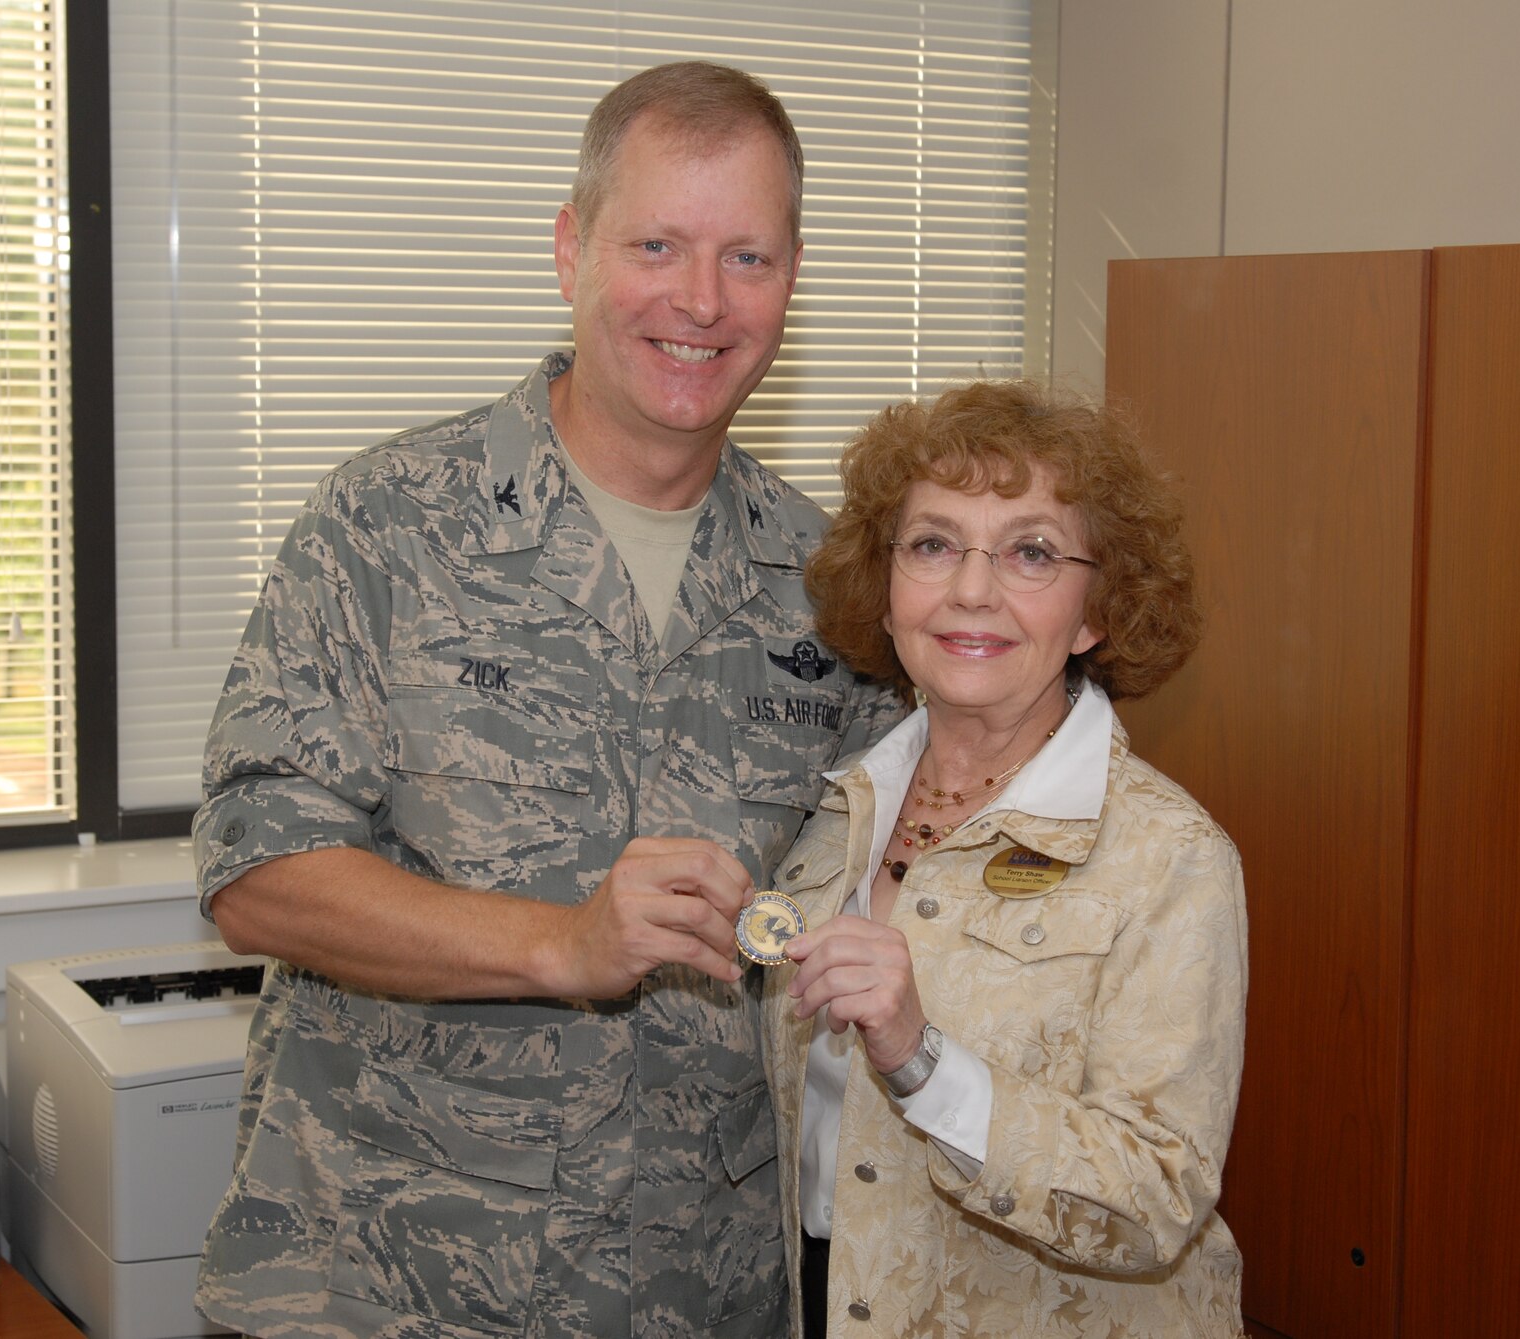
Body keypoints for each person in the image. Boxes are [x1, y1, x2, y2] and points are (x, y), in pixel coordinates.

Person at [190, 62, 901, 1339]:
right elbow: (257, 873)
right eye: (656, 245)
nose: (700, 299)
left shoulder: (832, 585)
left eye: (747, 256)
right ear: (571, 248)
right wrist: (559, 945)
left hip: (698, 1292)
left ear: (793, 279)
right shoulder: (387, 525)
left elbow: (901, 869)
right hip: (388, 1281)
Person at [763, 380, 1247, 1337]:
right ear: (886, 584)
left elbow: (1157, 1195)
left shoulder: (1170, 856)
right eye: (934, 544)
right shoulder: (835, 814)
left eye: (1031, 551)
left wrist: (921, 1058)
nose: (971, 589)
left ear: (1097, 609)